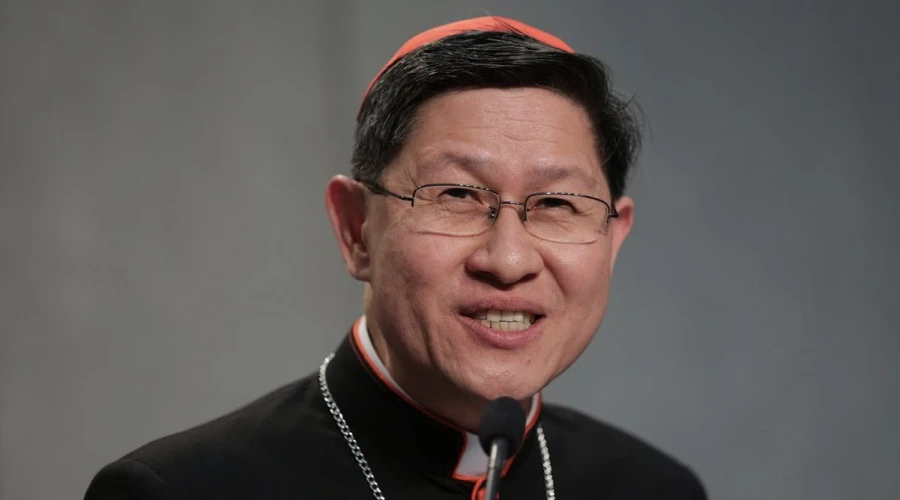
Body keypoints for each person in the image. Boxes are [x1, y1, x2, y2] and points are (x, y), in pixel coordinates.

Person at [85, 16, 707, 500]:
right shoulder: (181, 491)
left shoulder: (654, 490)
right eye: (458, 195)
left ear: (613, 238)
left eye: (556, 203)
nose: (509, 259)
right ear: (356, 229)